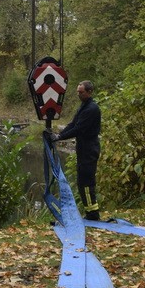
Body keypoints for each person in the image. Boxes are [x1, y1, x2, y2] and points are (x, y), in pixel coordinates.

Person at [50, 80, 101, 221]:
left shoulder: (92, 109)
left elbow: (78, 129)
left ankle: (93, 214)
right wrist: (59, 135)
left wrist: (60, 137)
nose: (79, 94)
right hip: (83, 148)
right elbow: (73, 124)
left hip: (89, 148)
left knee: (86, 182)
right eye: (78, 92)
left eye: (82, 92)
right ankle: (90, 212)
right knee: (81, 181)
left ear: (89, 92)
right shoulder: (84, 107)